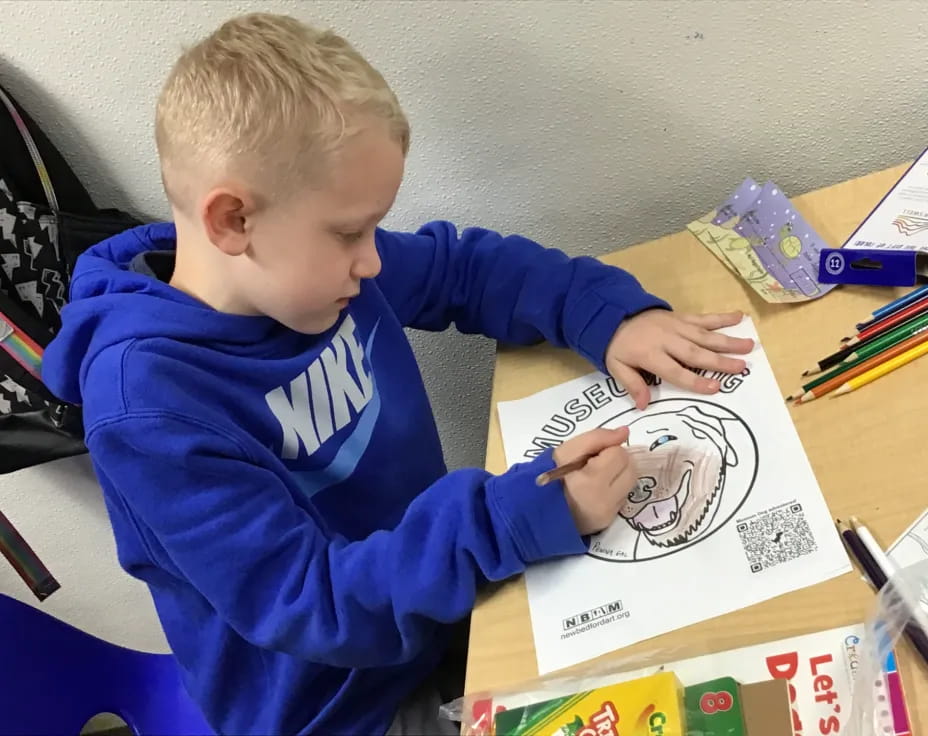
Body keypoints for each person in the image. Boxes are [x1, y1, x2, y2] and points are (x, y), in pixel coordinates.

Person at [43, 12, 753, 735]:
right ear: (232, 222)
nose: (374, 262)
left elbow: (461, 269)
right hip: (349, 704)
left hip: (448, 593)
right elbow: (315, 602)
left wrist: (606, 316)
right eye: (350, 232)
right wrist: (511, 518)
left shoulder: (316, 271)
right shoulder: (148, 411)